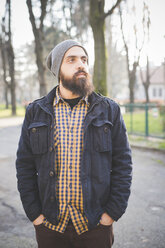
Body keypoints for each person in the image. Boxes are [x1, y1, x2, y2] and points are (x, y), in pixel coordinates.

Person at [16, 39, 132, 248]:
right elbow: (24, 166)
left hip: (95, 226)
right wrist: (35, 216)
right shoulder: (35, 111)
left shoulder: (109, 110)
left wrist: (111, 214)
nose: (81, 64)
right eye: (72, 59)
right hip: (51, 227)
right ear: (58, 70)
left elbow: (123, 164)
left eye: (84, 59)